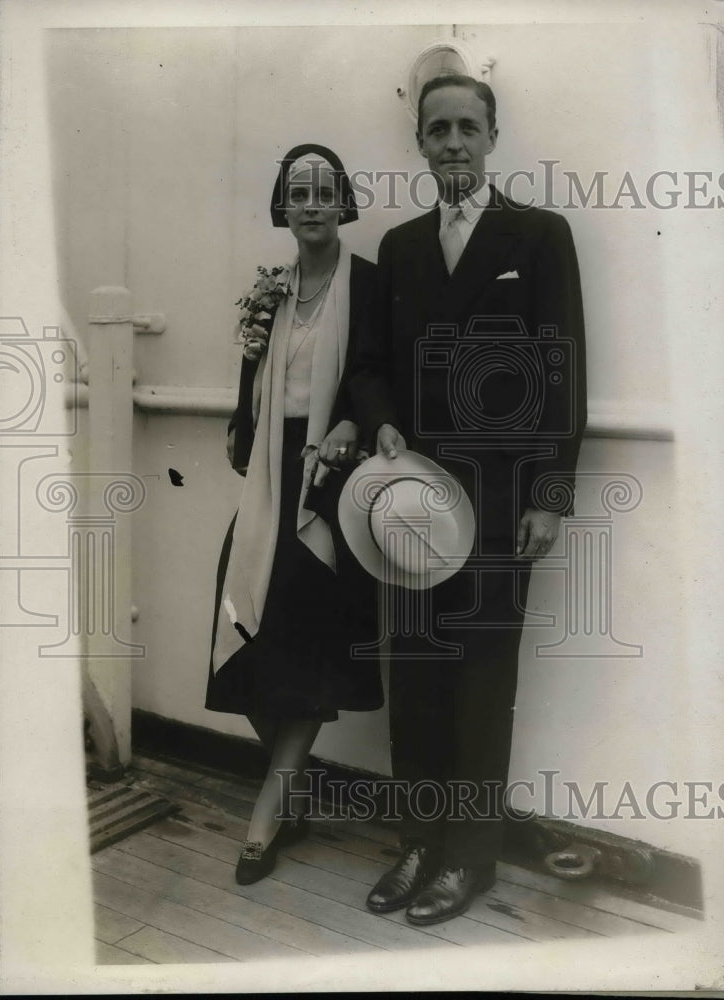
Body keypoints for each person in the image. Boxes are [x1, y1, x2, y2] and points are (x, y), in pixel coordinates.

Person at [348, 75, 587, 925]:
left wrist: (548, 496)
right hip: (410, 502)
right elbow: (368, 366)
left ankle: (469, 859)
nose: (452, 142)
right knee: (413, 674)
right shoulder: (401, 246)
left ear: (491, 137)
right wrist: (379, 428)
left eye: (467, 128)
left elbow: (561, 369)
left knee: (482, 678)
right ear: (418, 141)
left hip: (496, 503)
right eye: (437, 129)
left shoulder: (538, 235)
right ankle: (418, 842)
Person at [206, 144, 383, 884]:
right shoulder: (272, 290)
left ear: (344, 203)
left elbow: (380, 373)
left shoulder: (370, 285)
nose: (311, 205)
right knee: (238, 622)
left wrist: (351, 425)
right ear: (283, 205)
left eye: (324, 192)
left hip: (330, 478)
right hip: (271, 475)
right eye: (298, 193)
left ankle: (266, 816)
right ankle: (293, 789)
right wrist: (240, 431)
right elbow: (255, 379)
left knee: (308, 644)